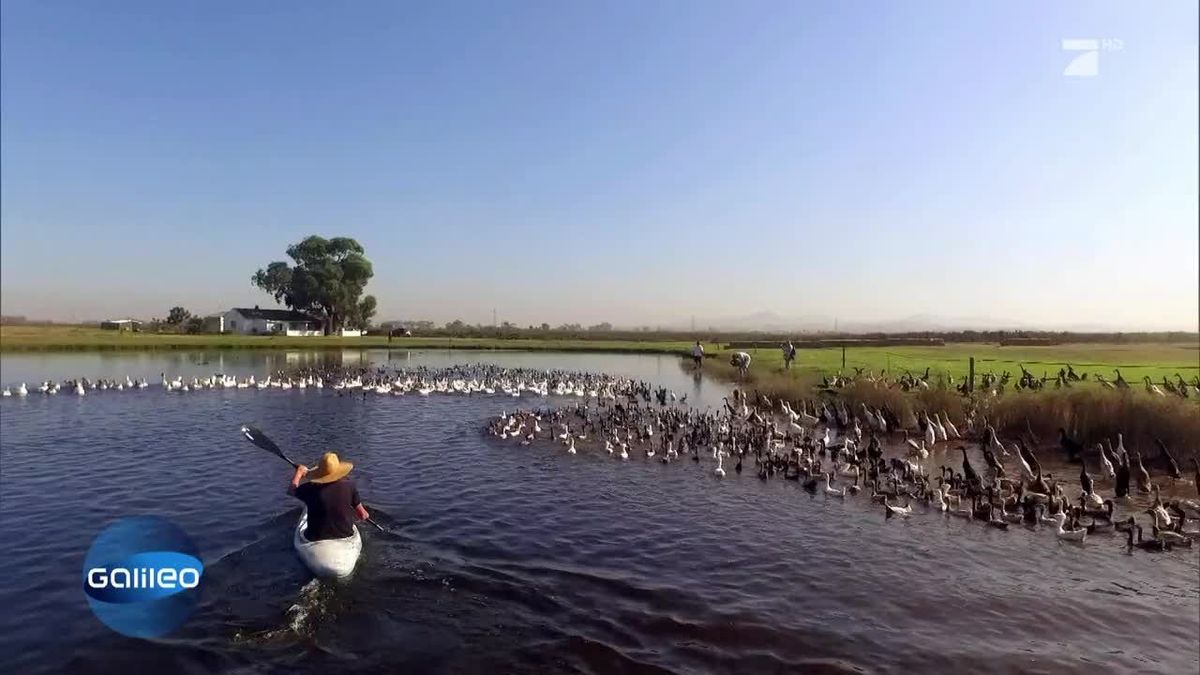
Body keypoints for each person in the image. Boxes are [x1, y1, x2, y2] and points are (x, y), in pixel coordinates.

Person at [288, 452, 371, 541]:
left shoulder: (310, 488)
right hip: (346, 534)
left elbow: (291, 491)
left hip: (315, 537)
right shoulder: (350, 485)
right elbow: (362, 515)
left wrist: (299, 473)